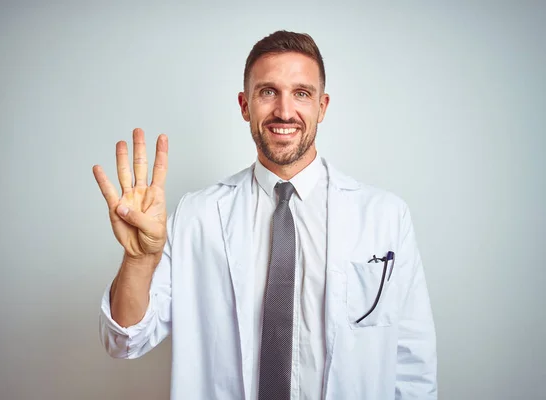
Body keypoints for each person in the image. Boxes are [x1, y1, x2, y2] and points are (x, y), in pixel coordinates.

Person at [93, 30, 437, 400]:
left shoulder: (385, 216)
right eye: (268, 92)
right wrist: (140, 260)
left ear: (322, 106)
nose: (285, 111)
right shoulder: (196, 216)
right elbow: (124, 340)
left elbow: (413, 367)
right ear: (245, 105)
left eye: (301, 93)